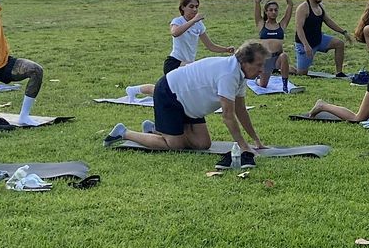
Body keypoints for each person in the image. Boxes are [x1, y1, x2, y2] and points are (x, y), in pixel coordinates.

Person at [105, 42, 268, 166]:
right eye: (259, 65)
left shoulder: (239, 74)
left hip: (189, 105)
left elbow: (241, 111)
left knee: (203, 144)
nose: (262, 70)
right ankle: (124, 133)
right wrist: (243, 146)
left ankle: (154, 129)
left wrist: (257, 141)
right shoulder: (228, 74)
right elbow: (228, 116)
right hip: (170, 94)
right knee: (175, 145)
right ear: (245, 62)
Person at [292, 0, 349, 76]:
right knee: (301, 73)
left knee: (339, 44)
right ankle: (286, 67)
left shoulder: (320, 7)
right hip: (304, 43)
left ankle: (339, 72)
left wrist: (343, 32)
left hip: (319, 39)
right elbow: (299, 28)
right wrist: (306, 45)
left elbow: (328, 21)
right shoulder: (303, 8)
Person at [253, 0, 294, 90]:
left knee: (284, 55)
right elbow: (257, 1)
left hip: (277, 58)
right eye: (270, 10)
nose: (273, 12)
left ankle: (285, 85)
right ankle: (257, 77)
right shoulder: (261, 24)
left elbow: (290, 5)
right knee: (263, 85)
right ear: (266, 12)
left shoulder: (282, 25)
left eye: (276, 10)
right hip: (265, 59)